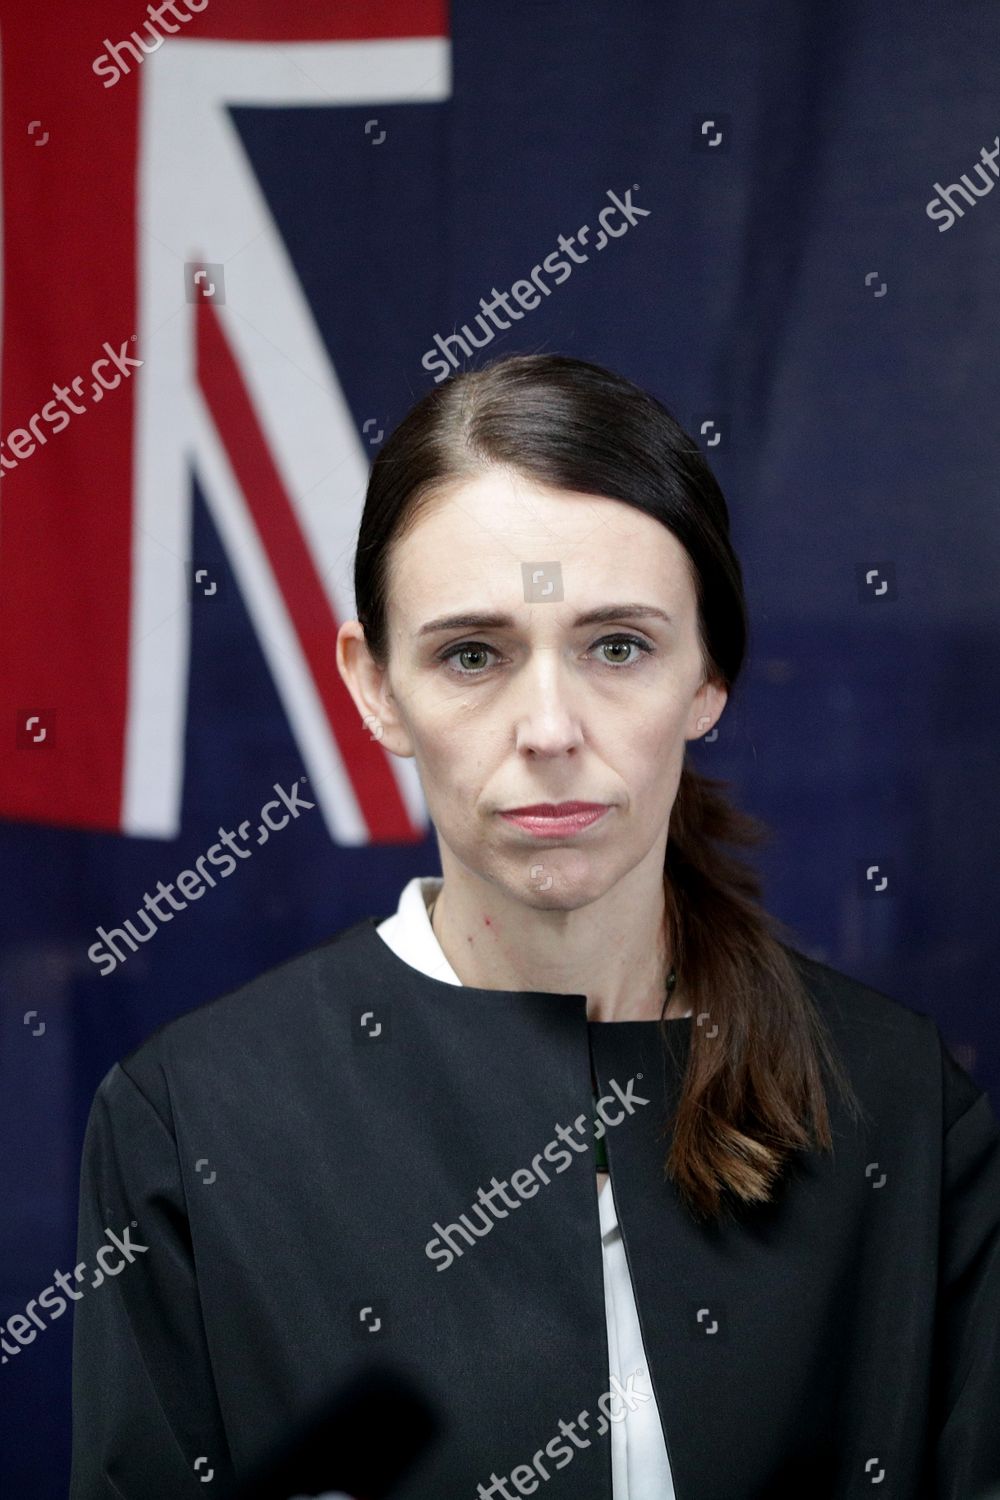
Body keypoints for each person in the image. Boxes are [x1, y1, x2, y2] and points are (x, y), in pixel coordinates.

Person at [69, 353, 1000, 1500]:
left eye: (619, 646)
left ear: (709, 671)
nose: (549, 727)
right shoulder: (190, 1118)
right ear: (372, 686)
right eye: (473, 654)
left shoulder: (897, 1102)